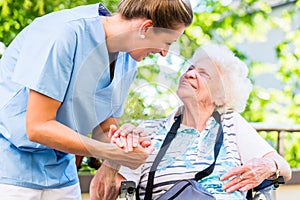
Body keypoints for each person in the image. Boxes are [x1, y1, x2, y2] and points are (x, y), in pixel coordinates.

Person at [0, 0, 193, 199]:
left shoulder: (127, 61)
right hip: (10, 171)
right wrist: (111, 152)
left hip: (61, 175)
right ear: (145, 27)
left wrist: (124, 147)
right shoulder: (64, 33)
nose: (164, 53)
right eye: (167, 42)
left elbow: (104, 129)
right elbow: (38, 127)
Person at [100, 43, 292, 199]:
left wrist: (268, 166)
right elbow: (103, 196)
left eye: (204, 73)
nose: (190, 74)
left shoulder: (231, 124)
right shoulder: (148, 131)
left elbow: (284, 169)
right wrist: (115, 156)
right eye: (190, 69)